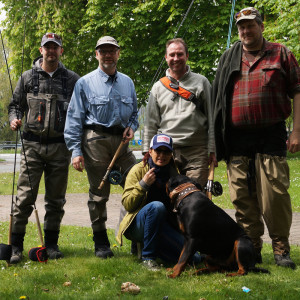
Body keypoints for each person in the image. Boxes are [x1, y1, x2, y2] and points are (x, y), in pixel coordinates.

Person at [212, 7, 300, 269]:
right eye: (241, 27)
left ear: (262, 26)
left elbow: (297, 91)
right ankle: (252, 248)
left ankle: (281, 248)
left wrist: (296, 130)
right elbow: (218, 100)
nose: (245, 31)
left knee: (274, 195)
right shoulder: (230, 57)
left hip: (270, 135)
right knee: (242, 196)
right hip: (236, 137)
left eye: (251, 25)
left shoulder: (281, 53)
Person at [64, 36, 139, 259]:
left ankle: (136, 237)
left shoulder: (128, 82)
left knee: (137, 187)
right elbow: (74, 118)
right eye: (103, 51)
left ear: (118, 53)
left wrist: (132, 127)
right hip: (95, 141)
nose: (107, 54)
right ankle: (101, 243)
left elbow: (134, 113)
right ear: (96, 54)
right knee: (99, 194)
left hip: (123, 145)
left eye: (112, 50)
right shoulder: (84, 83)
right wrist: (76, 151)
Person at [8, 33, 80, 263]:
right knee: (24, 198)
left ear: (61, 51)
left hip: (60, 148)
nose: (51, 51)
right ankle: (15, 247)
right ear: (41, 50)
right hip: (31, 147)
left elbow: (79, 113)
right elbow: (14, 106)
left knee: (56, 200)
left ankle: (51, 244)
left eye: (55, 47)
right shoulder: (27, 77)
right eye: (47, 47)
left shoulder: (72, 80)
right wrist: (14, 119)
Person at [117, 134, 201, 271]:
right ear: (150, 151)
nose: (162, 155)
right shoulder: (138, 170)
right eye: (158, 151)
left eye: (166, 151)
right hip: (136, 225)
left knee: (194, 259)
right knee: (157, 207)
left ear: (171, 153)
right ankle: (148, 258)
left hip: (162, 224)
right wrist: (143, 184)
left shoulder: (174, 173)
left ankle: (152, 247)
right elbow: (127, 204)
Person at [142, 38, 217, 189]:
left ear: (187, 56)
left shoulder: (201, 82)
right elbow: (151, 122)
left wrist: (213, 149)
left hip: (197, 151)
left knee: (193, 196)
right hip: (166, 152)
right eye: (172, 55)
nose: (176, 58)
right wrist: (146, 150)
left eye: (180, 54)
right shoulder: (157, 88)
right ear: (166, 58)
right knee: (167, 196)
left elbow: (212, 118)